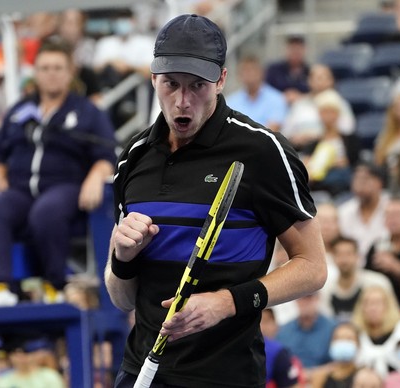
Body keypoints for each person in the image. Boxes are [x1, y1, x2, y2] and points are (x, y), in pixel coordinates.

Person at [104, 14, 327, 388]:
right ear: (153, 78)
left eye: (198, 86)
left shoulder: (262, 151)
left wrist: (227, 302)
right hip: (140, 370)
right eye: (171, 84)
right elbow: (123, 299)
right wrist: (122, 259)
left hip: (227, 376)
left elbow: (313, 267)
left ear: (222, 80)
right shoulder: (134, 156)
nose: (182, 102)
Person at [0, 40, 117, 308]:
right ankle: (0, 288)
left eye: (57, 68)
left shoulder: (87, 112)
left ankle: (55, 284)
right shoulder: (19, 111)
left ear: (69, 72)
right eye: (45, 67)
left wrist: (97, 175)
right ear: (36, 72)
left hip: (65, 186)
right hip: (20, 189)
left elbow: (107, 153)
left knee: (46, 212)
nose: (51, 73)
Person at [282, 64, 356, 151]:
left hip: (334, 153)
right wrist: (295, 139)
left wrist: (316, 137)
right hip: (301, 152)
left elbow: (348, 131)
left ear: (332, 81)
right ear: (309, 81)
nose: (321, 82)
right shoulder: (299, 105)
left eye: (326, 78)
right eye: (318, 78)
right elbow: (285, 134)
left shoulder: (341, 104)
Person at [320, 237, 394, 321]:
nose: (344, 260)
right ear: (333, 258)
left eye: (348, 254)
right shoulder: (325, 288)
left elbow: (392, 314)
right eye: (339, 254)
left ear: (358, 256)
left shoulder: (378, 282)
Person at [304, 89, 361, 197]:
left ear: (338, 113)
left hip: (343, 183)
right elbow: (308, 167)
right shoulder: (312, 143)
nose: (327, 116)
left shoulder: (351, 140)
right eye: (324, 112)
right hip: (319, 185)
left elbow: (354, 163)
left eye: (331, 111)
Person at [338, 163, 390, 259]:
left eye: (365, 179)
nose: (359, 183)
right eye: (356, 179)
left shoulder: (392, 207)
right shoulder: (344, 211)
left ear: (379, 182)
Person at [351, 285, 400, 377]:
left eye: (377, 303)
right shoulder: (356, 335)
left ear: (388, 306)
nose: (372, 308)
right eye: (367, 303)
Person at [227, 54, 287, 132]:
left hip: (266, 142)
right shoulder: (230, 102)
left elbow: (273, 129)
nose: (249, 74)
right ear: (239, 75)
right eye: (245, 70)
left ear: (262, 73)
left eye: (252, 70)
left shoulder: (277, 98)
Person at [310, 322, 359, 388]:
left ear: (358, 344)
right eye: (338, 338)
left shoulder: (363, 376)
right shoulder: (321, 376)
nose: (343, 343)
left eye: (349, 339)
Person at [265, 35, 310, 105]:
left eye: (298, 49)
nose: (295, 52)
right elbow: (265, 90)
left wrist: (301, 97)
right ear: (287, 49)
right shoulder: (274, 70)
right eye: (292, 49)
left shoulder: (310, 72)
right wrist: (281, 96)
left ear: (304, 50)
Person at [260, 309, 300, 388]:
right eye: (260, 322)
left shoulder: (278, 351)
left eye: (266, 321)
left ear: (276, 325)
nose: (263, 327)